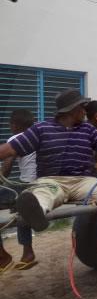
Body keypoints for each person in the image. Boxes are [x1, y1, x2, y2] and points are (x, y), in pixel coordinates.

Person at [0, 89, 97, 270]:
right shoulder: (41, 129)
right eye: (82, 107)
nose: (85, 111)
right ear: (72, 109)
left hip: (83, 181)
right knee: (41, 194)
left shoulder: (87, 129)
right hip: (52, 181)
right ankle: (35, 212)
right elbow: (9, 150)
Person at [0, 109, 38, 273]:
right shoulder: (39, 136)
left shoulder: (16, 139)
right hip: (43, 185)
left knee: (19, 199)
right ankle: (27, 253)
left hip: (26, 185)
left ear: (15, 126)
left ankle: (3, 256)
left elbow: (6, 169)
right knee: (20, 207)